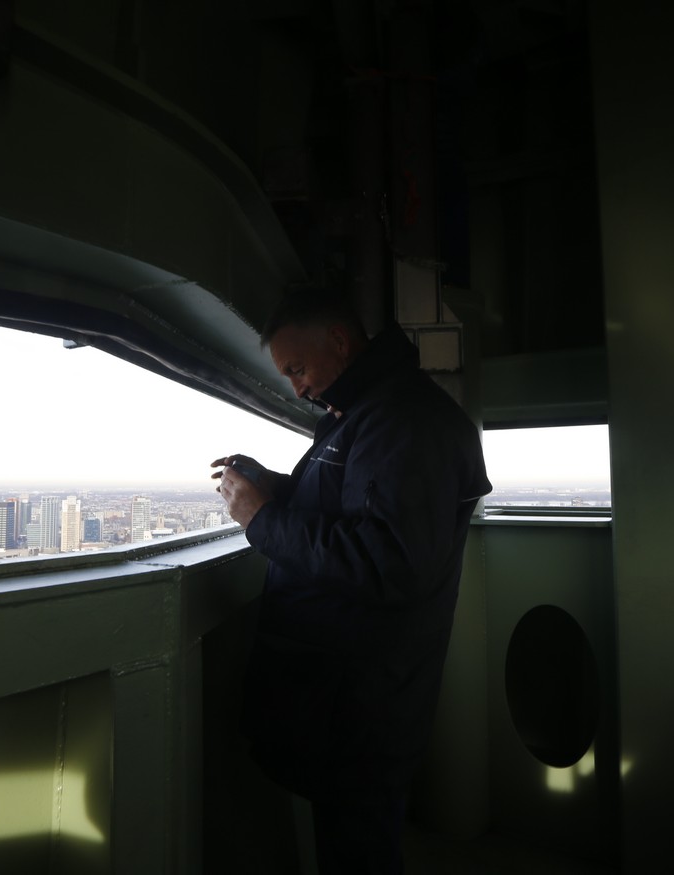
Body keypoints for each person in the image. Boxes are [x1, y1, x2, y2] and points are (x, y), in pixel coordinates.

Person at [212, 291, 491, 874]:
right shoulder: (366, 414)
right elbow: (348, 508)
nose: (298, 389)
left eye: (298, 369)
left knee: (358, 852)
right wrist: (277, 488)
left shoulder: (402, 420)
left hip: (364, 702)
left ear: (338, 341)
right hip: (345, 694)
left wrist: (262, 519)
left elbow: (390, 561)